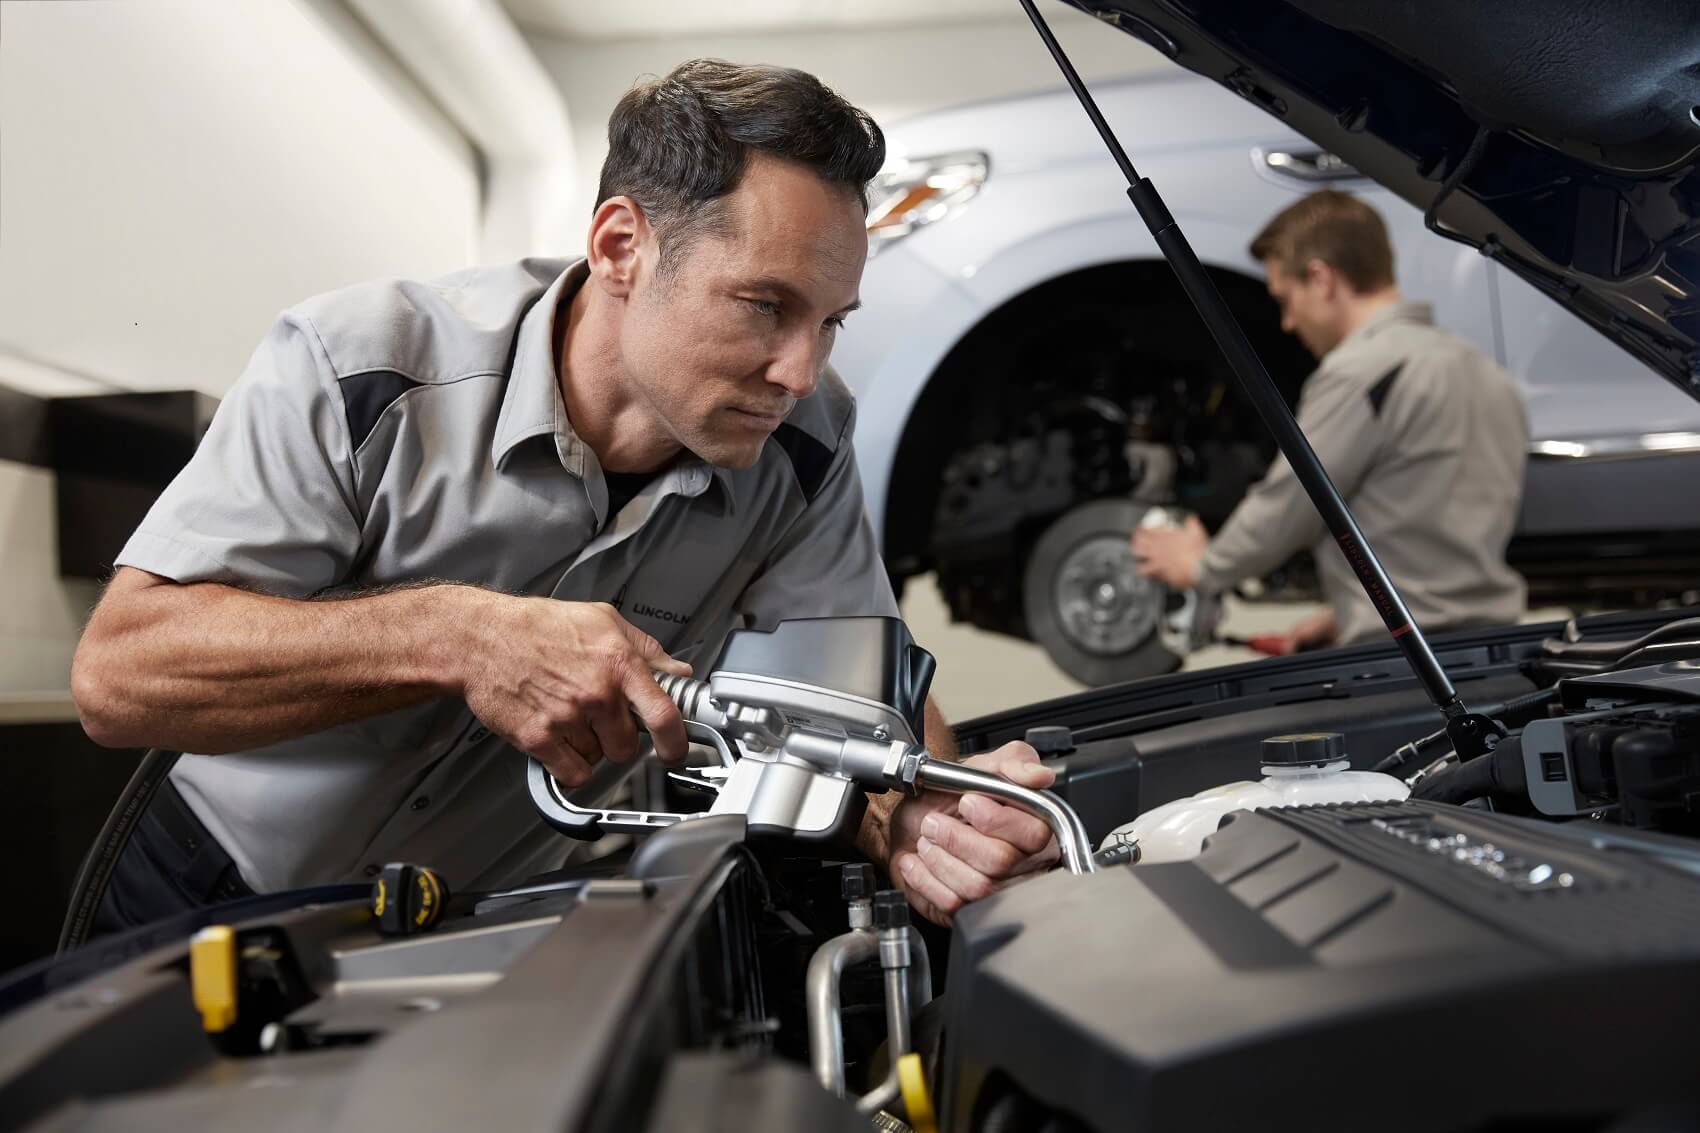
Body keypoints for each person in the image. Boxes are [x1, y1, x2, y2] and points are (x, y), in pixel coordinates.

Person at [70, 60, 1055, 932]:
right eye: (765, 305)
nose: (799, 369)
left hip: (484, 922)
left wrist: (919, 813)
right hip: (207, 889)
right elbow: (121, 676)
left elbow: (863, 700)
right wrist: (458, 634)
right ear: (622, 244)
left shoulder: (804, 441)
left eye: (831, 321)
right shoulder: (361, 366)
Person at [1133, 190, 1527, 653]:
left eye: (1285, 298)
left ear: (1321, 279)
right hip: (1495, 646)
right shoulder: (1484, 372)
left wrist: (1202, 566)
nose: (1286, 322)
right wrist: (1348, 613)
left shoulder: (1363, 371)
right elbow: (1428, 526)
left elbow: (1293, 499)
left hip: (1412, 663)